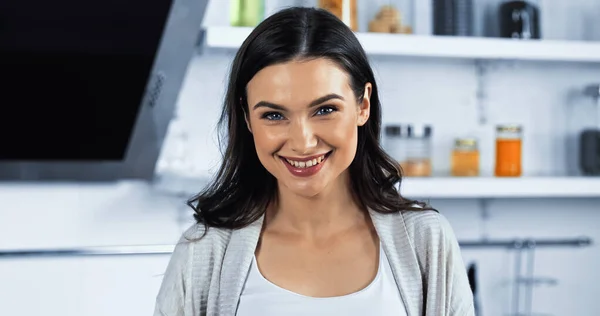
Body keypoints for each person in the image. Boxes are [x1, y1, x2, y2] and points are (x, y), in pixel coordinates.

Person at [154, 6, 474, 316]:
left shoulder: (426, 240)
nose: (302, 142)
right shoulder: (202, 253)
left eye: (324, 110)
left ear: (363, 105)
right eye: (274, 115)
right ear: (247, 118)